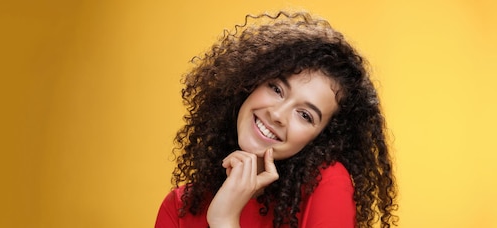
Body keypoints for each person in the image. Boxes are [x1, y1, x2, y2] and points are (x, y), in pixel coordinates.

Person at [155, 11, 397, 228]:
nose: (278, 115)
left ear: (322, 137)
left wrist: (224, 221)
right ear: (250, 81)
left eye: (305, 115)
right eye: (276, 89)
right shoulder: (178, 208)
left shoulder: (328, 185)